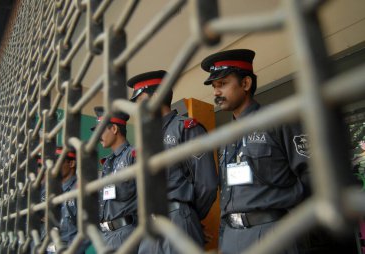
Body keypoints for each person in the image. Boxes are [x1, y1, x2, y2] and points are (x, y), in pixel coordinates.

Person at [200, 49, 310, 254]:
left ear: (245, 84)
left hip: (272, 232)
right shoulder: (226, 137)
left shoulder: (278, 119)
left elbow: (312, 176)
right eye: (214, 86)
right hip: (232, 236)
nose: (216, 92)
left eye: (222, 84)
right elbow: (227, 193)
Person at [126, 70, 218, 253]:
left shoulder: (185, 128)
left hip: (176, 217)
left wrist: (189, 215)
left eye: (140, 100)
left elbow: (207, 185)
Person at [91, 108, 138, 252]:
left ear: (114, 128)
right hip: (106, 236)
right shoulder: (107, 162)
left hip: (126, 235)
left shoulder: (133, 155)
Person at [41, 148, 90, 253]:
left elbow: (89, 230)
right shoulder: (50, 191)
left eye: (58, 162)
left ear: (71, 163)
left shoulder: (79, 189)